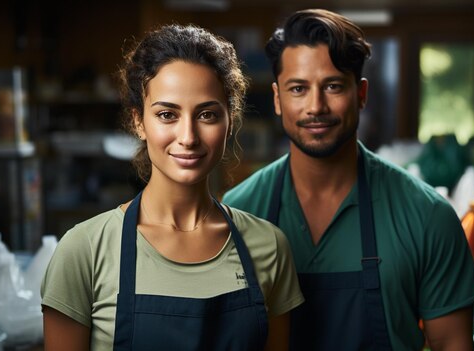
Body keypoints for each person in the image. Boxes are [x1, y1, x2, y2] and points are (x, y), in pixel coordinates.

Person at [223, 9, 474, 350]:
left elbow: (452, 344)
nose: (315, 106)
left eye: (333, 86)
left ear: (361, 94)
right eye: (298, 88)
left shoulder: (426, 215)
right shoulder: (235, 214)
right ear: (277, 98)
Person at [41, 24, 304, 351]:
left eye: (207, 114)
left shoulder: (269, 247)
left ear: (230, 120)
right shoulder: (83, 251)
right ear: (139, 121)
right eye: (167, 114)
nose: (188, 136)